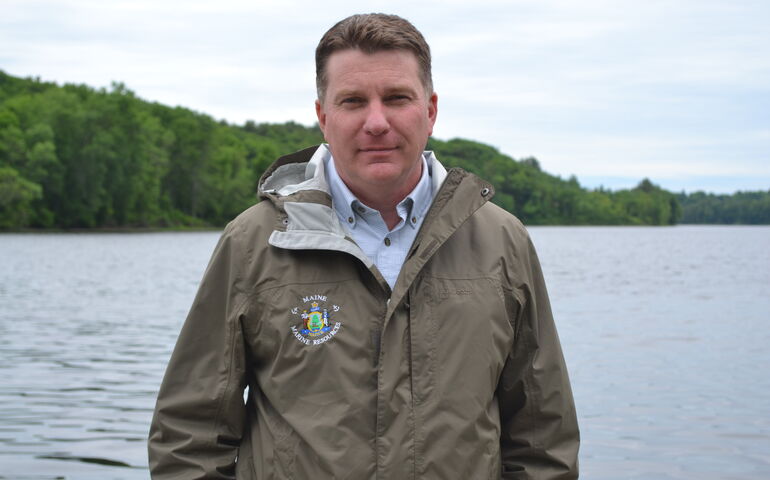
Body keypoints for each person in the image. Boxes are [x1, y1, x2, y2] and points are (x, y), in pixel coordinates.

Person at [148, 13, 579, 479]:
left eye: (397, 98)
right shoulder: (254, 242)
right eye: (353, 101)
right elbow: (189, 438)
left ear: (430, 111)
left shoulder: (502, 241)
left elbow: (542, 439)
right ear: (323, 116)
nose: (377, 122)